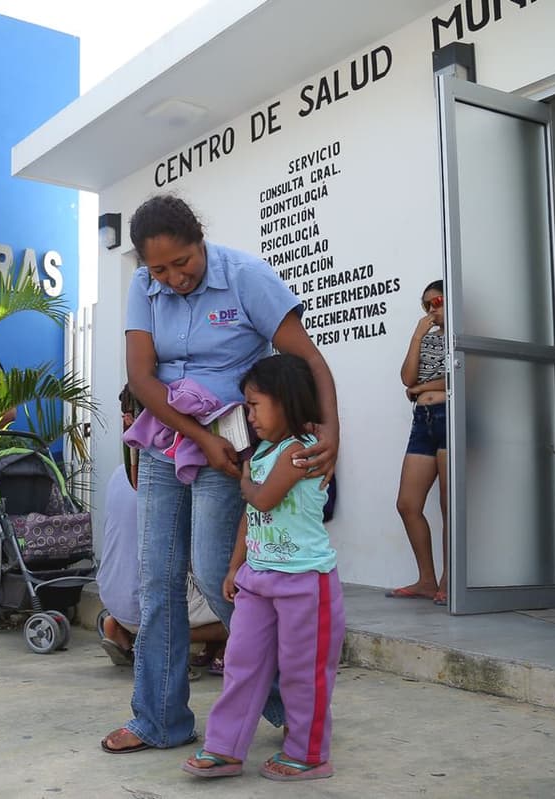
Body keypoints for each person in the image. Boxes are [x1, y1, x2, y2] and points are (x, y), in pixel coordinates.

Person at [101, 194, 339, 755]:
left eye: (182, 262)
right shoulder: (144, 287)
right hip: (169, 441)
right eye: (159, 269)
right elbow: (141, 377)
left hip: (232, 444)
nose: (174, 278)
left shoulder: (247, 277)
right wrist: (196, 437)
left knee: (217, 573)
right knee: (156, 579)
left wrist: (332, 432)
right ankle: (159, 720)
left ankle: (295, 703)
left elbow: (309, 360)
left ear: (199, 240)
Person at [183, 354, 344, 781]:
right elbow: (249, 518)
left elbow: (263, 499)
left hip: (305, 582)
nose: (249, 415)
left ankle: (309, 754)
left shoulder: (298, 452)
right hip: (259, 577)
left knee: (302, 672)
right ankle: (224, 748)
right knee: (242, 663)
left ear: (286, 401)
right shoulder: (262, 455)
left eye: (254, 405)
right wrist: (236, 567)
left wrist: (243, 483)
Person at [97, 462, 227, 673]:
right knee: (246, 609)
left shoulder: (121, 471)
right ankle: (226, 642)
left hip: (113, 595)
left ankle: (122, 628)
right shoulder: (183, 470)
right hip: (152, 602)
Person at [388, 280, 449, 605]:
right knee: (407, 504)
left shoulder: (464, 335)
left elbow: (464, 373)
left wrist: (418, 388)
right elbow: (407, 378)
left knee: (447, 504)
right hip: (423, 421)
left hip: (449, 416)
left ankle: (450, 580)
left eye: (437, 301)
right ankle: (426, 579)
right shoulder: (427, 339)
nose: (431, 309)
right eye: (426, 305)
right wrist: (417, 335)